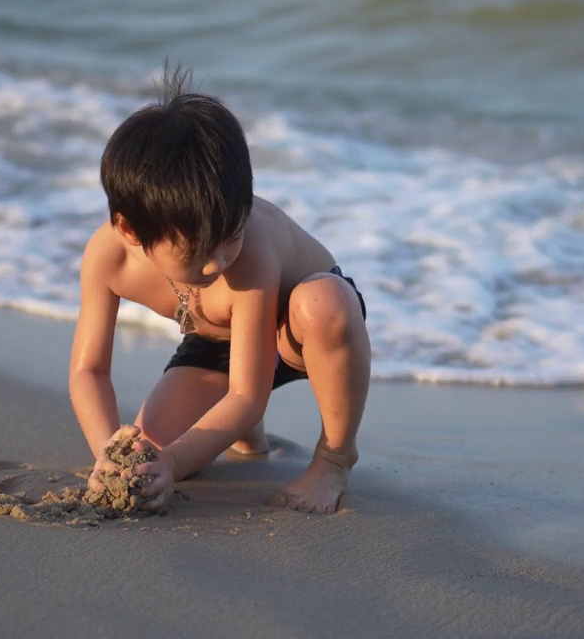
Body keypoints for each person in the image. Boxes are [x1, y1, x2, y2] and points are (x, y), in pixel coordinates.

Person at [68, 65, 370, 514]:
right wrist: (108, 453)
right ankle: (246, 435)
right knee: (149, 456)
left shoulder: (253, 253)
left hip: (297, 331)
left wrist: (180, 456)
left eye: (232, 235)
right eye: (199, 252)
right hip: (215, 343)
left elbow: (248, 394)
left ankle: (334, 458)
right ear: (130, 231)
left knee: (323, 302)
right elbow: (88, 371)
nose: (220, 262)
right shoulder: (107, 259)